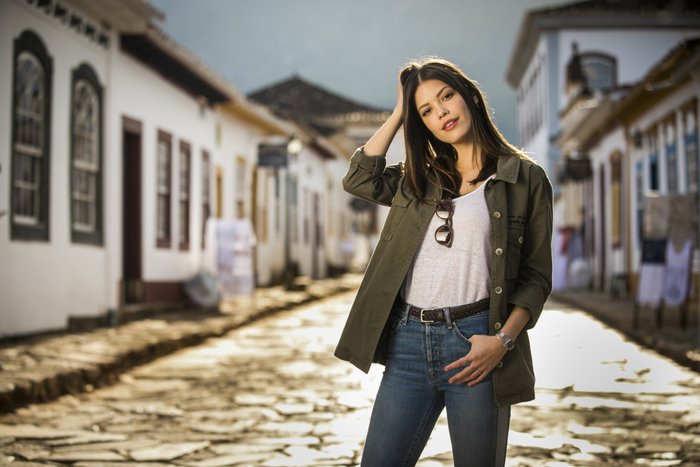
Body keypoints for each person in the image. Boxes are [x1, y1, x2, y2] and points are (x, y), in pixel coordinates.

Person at [334, 57, 553, 466]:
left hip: (476, 343)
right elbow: (359, 178)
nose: (442, 113)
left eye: (446, 97)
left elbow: (536, 277)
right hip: (407, 343)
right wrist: (401, 112)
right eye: (427, 111)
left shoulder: (525, 178)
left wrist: (501, 342)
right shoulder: (419, 178)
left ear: (469, 94)